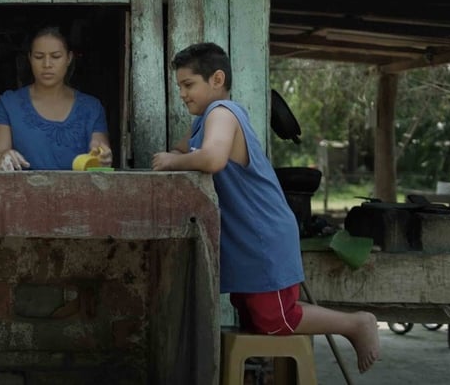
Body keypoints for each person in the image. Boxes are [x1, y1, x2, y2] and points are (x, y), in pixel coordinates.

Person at [151, 43, 379, 373]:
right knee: (254, 317)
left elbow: (213, 159)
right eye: (180, 87)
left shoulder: (223, 114)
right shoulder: (206, 121)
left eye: (188, 85)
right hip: (245, 237)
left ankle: (356, 324)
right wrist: (177, 153)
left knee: (276, 319)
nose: (183, 94)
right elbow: (186, 148)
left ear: (217, 79)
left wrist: (173, 161)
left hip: (262, 234)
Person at [0, 26, 112, 171]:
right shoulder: (8, 104)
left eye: (56, 56)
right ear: (30, 58)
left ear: (69, 58)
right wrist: (3, 156)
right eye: (39, 57)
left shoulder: (92, 108)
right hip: (21, 193)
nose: (47, 64)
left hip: (80, 193)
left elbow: (101, 158)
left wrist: (102, 157)